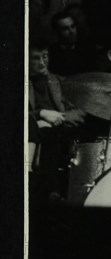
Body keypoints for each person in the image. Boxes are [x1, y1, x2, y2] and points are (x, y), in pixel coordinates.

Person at [28, 40, 86, 202]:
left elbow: (80, 111)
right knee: (48, 135)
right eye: (35, 58)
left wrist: (59, 117)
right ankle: (52, 191)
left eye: (45, 57)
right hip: (36, 129)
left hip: (62, 127)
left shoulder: (59, 81)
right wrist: (41, 114)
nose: (41, 62)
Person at [49, 11, 93, 76]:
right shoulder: (51, 53)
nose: (71, 31)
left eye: (73, 26)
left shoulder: (86, 49)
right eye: (65, 29)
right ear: (57, 32)